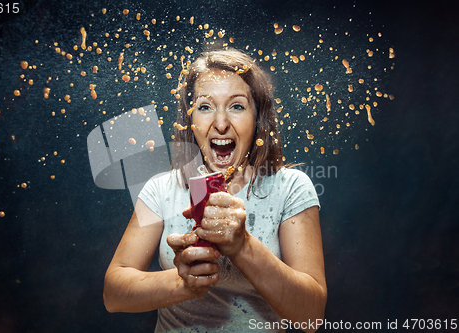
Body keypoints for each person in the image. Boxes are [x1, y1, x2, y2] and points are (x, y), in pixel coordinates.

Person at [103, 48, 327, 333]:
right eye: (205, 106)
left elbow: (312, 316)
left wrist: (242, 246)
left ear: (258, 119)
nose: (221, 124)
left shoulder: (291, 188)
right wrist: (181, 282)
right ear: (190, 118)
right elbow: (113, 294)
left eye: (237, 106)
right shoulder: (161, 190)